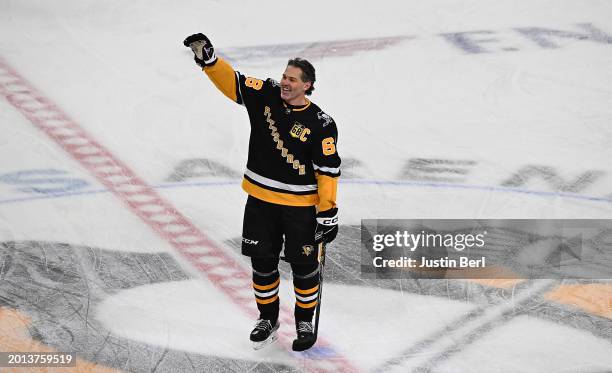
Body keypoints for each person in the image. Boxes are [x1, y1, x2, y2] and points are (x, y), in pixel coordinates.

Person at [183, 33, 341, 351]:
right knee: (262, 264)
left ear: (308, 86)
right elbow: (235, 84)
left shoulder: (321, 124)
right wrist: (210, 62)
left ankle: (304, 323)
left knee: (304, 268)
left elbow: (328, 172)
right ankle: (267, 318)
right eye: (284, 76)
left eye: (293, 80)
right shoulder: (266, 95)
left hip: (300, 209)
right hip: (260, 201)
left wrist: (328, 211)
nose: (285, 82)